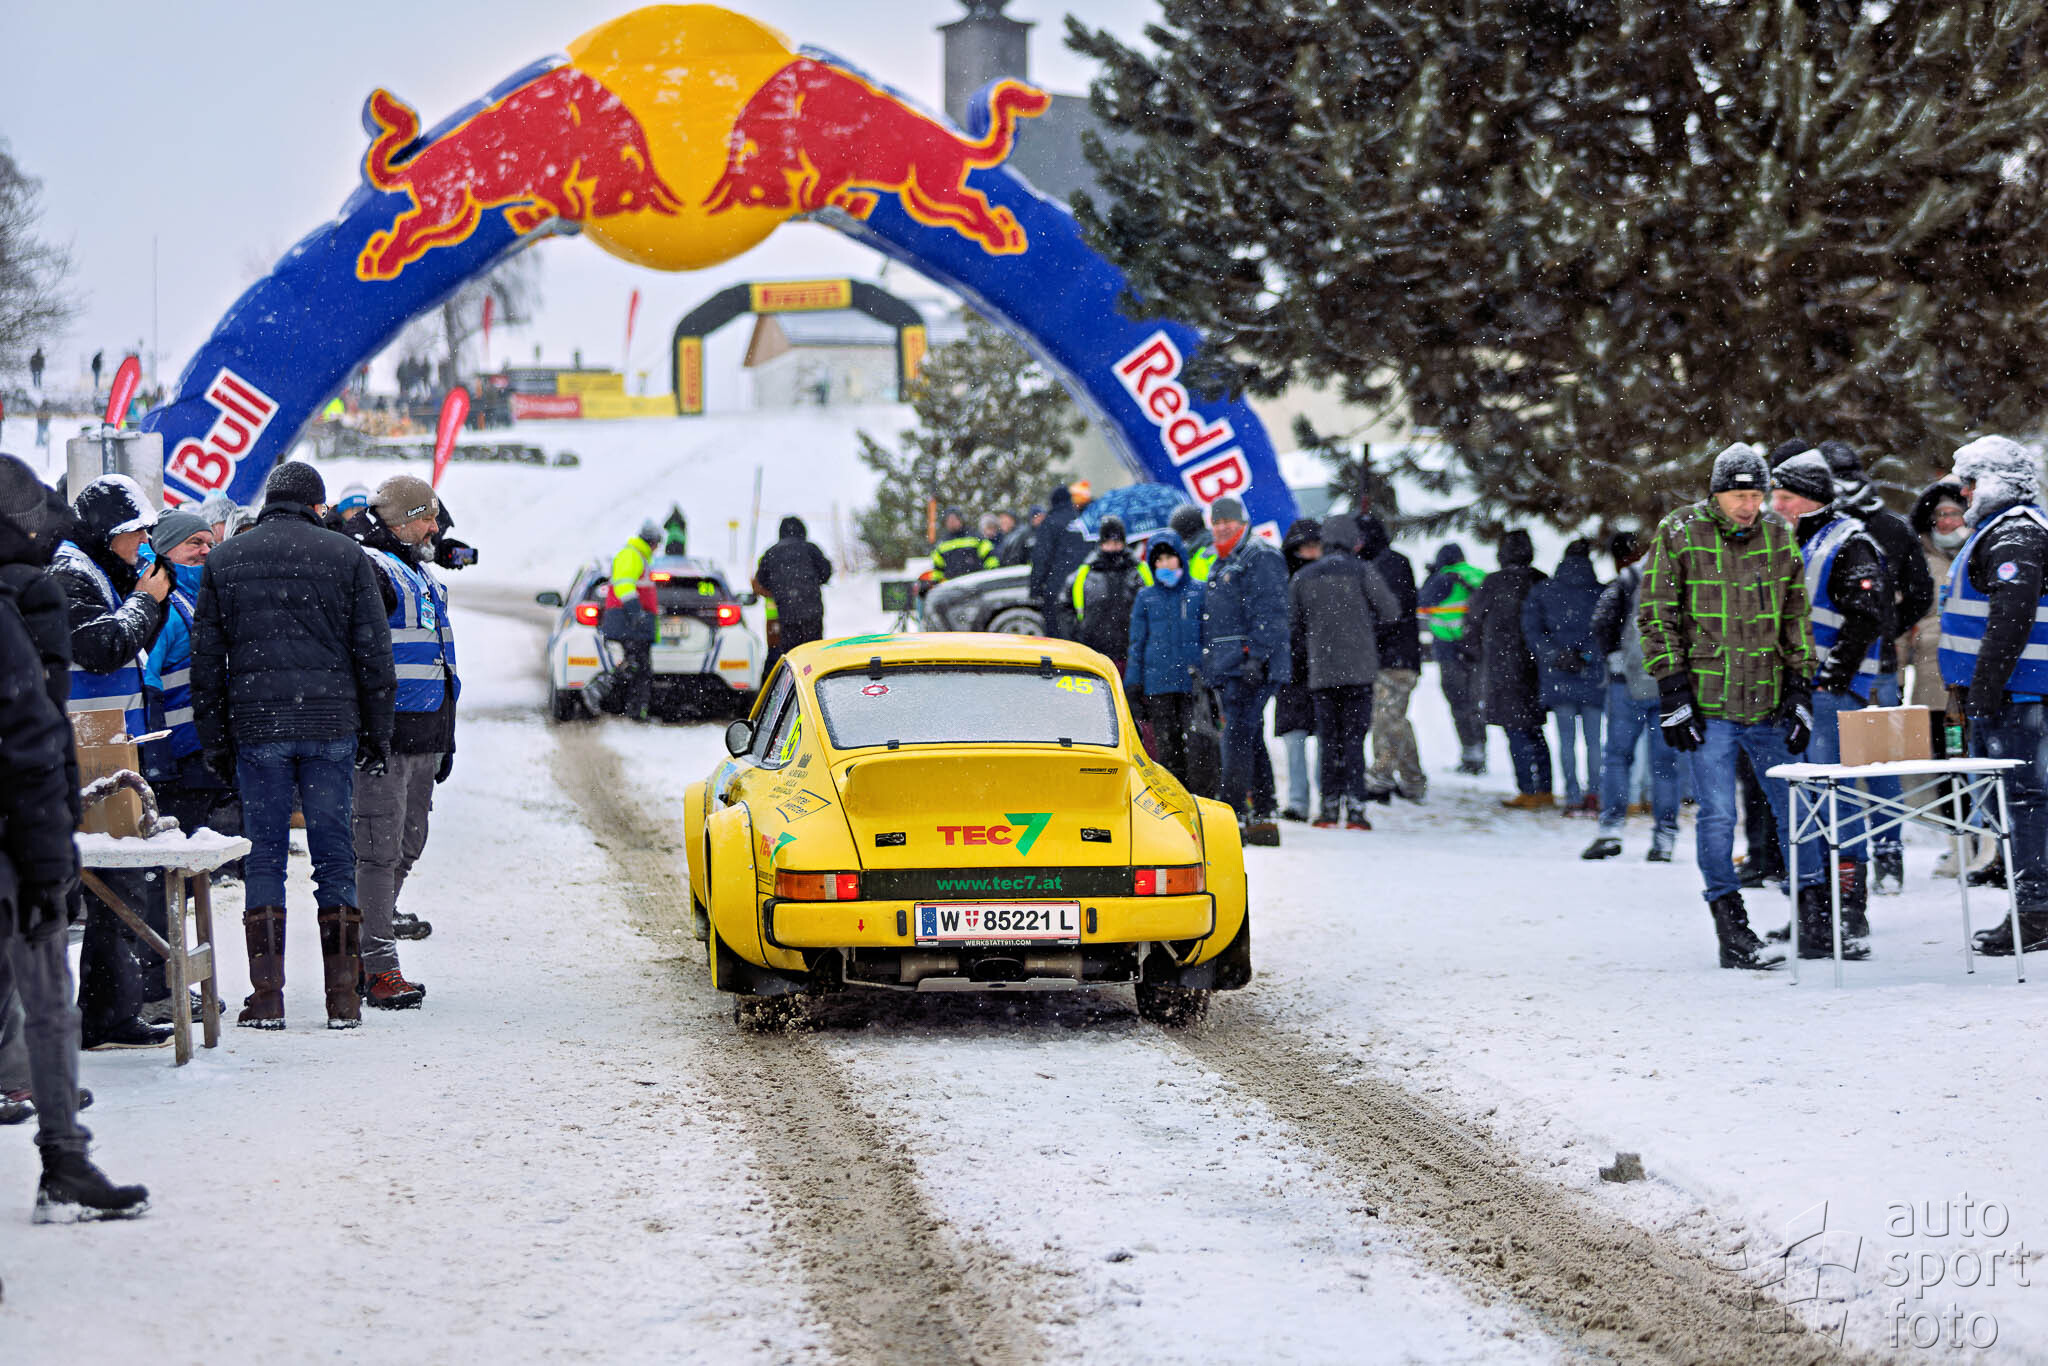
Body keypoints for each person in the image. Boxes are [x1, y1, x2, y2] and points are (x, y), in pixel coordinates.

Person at [192, 461, 396, 1030]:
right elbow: (374, 655)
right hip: (332, 725)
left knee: (264, 856)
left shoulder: (226, 559)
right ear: (317, 505)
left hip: (258, 728)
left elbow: (207, 662)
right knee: (335, 855)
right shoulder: (347, 556)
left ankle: (267, 998)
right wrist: (377, 733)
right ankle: (343, 998)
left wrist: (215, 740)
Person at [0, 453, 149, 1222]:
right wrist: (48, 851)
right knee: (47, 997)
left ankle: (62, 1155)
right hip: (16, 836)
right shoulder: (26, 597)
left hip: (20, 828)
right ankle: (63, 1159)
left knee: (43, 998)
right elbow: (31, 735)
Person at [1640, 442, 1823, 970]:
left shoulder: (1778, 534)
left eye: (1756, 496)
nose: (1748, 506)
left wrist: (1800, 688)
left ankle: (1814, 917)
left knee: (1796, 810)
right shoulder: (1680, 530)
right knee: (1718, 815)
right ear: (1717, 494)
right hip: (1709, 702)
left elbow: (1795, 615)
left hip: (1769, 701)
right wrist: (1673, 690)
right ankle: (1732, 928)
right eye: (1739, 496)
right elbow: (1657, 612)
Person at [51, 474, 173, 1050]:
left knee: (119, 886)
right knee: (106, 887)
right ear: (108, 533)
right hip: (82, 756)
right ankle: (98, 1017)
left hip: (103, 750)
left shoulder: (92, 568)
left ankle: (109, 1013)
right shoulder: (69, 572)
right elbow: (102, 647)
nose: (145, 543)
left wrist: (140, 593)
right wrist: (145, 600)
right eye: (137, 533)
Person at [341, 475, 458, 1010]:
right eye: (426, 518)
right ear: (401, 521)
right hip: (386, 738)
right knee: (378, 852)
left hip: (425, 733)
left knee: (407, 847)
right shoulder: (373, 568)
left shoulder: (415, 569)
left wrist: (445, 739)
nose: (436, 527)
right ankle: (376, 967)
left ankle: (364, 952)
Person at [1768, 450, 1890, 954]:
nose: (1776, 505)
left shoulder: (1849, 542)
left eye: (1785, 497)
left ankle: (1848, 909)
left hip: (1829, 695)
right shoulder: (1790, 541)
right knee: (1802, 801)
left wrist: (1833, 676)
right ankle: (1812, 908)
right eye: (1774, 496)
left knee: (1834, 800)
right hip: (1793, 693)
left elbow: (1867, 613)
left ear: (1813, 499)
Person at [1936, 436, 2048, 955]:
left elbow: (2012, 615)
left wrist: (1984, 688)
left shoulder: (2015, 534)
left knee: (2024, 801)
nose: (1963, 492)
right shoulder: (2004, 529)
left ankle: (2035, 912)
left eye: (1971, 482)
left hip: (2019, 694)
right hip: (2013, 691)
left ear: (1998, 481)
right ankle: (2034, 907)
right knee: (2019, 801)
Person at [1817, 441, 1933, 894]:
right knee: (1879, 764)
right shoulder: (1889, 526)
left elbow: (1920, 594)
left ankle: (1861, 861)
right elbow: (1920, 594)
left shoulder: (1842, 527)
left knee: (1847, 766)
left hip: (1853, 663)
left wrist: (1884, 628)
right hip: (1871, 660)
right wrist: (1887, 627)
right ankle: (1882, 858)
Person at [1290, 514, 1399, 829]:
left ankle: (1328, 807)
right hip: (1359, 671)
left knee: (1328, 740)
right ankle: (1355, 807)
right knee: (1354, 740)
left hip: (1322, 671)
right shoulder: (1364, 571)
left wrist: (1314, 642)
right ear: (1353, 541)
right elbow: (1391, 611)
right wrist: (1365, 631)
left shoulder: (1304, 576)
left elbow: (1292, 623)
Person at [139, 509, 236, 853]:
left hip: (206, 751)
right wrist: (157, 761)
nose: (206, 550)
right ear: (166, 549)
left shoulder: (201, 597)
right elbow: (146, 682)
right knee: (179, 858)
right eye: (194, 542)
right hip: (179, 761)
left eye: (210, 542)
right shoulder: (164, 604)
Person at [1583, 532, 1681, 862]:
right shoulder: (1687, 581)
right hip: (1669, 685)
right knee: (1665, 765)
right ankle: (1664, 836)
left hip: (1626, 681)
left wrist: (1614, 656)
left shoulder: (1629, 579)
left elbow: (1601, 621)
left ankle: (1610, 829)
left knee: (1617, 757)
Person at [1201, 496, 1290, 844]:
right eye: (1217, 521)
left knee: (1237, 737)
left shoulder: (1258, 555)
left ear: (1242, 523)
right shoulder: (1223, 560)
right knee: (1248, 737)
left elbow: (1270, 610)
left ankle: (1233, 812)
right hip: (1230, 665)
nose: (1222, 527)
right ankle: (1264, 813)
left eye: (1228, 521)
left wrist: (1257, 656)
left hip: (1250, 666)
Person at [1466, 530, 1551, 808]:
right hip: (1535, 665)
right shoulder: (1540, 579)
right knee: (1534, 730)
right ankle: (1545, 788)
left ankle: (1527, 789)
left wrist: (1474, 651)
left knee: (1515, 730)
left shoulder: (1493, 583)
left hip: (1502, 666)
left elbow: (1473, 619)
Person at [1521, 539, 1606, 814]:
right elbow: (1607, 631)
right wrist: (1587, 656)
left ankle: (1572, 796)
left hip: (1558, 676)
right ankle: (1594, 795)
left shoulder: (1543, 591)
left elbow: (1532, 631)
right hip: (1592, 676)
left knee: (1566, 741)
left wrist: (1556, 655)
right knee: (1594, 741)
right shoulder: (1601, 593)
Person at [1125, 529, 1208, 786]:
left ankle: (1200, 795)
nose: (1165, 564)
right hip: (1159, 685)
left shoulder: (1199, 591)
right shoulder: (1146, 597)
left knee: (1198, 748)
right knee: (1167, 750)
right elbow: (1137, 643)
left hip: (1193, 685)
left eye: (1169, 557)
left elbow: (1209, 637)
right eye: (1158, 560)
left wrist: (1211, 675)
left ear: (1180, 557)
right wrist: (1133, 684)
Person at [1360, 514, 1425, 802]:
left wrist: (1365, 634)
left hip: (1394, 658)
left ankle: (1381, 777)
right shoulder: (1386, 562)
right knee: (1393, 719)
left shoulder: (1388, 565)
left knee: (1387, 719)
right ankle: (1413, 780)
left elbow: (1390, 614)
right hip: (1394, 656)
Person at [1418, 543, 1489, 774]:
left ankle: (1471, 754)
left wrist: (1431, 576)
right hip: (1477, 650)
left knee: (1459, 702)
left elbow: (1422, 602)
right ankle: (1480, 750)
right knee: (1475, 703)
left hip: (1450, 648)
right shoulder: (1480, 575)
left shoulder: (1443, 578)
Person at [590, 519, 662, 721]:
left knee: (637, 668)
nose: (657, 548)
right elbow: (624, 585)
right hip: (628, 621)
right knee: (636, 668)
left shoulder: (638, 556)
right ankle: (605, 695)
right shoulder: (631, 555)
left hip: (631, 622)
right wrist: (636, 612)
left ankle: (633, 711)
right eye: (657, 543)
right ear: (651, 542)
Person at [1057, 515, 1149, 672]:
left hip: (1132, 656)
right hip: (1094, 656)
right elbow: (1065, 608)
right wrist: (1077, 637)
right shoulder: (1083, 575)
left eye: (1117, 542)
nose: (1113, 547)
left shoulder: (1140, 572)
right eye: (1108, 542)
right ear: (1101, 543)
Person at [1274, 519, 1322, 820]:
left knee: (1326, 738)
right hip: (1294, 671)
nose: (1310, 553)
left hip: (1322, 669)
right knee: (1295, 738)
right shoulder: (1282, 580)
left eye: (1315, 546)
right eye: (1305, 547)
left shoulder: (1326, 579)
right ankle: (1298, 801)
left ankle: (1326, 799)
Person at [1909, 482, 1968, 709]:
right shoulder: (1919, 559)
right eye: (1940, 514)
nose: (1946, 521)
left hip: (1972, 661)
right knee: (1933, 724)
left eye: (1954, 514)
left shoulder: (1979, 554)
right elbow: (1902, 612)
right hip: (1930, 666)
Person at [754, 515, 834, 667]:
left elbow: (761, 581)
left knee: (792, 656)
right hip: (812, 612)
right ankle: (814, 677)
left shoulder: (771, 553)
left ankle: (796, 678)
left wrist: (781, 587)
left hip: (787, 613)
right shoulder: (811, 549)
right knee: (813, 652)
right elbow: (826, 572)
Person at [930, 509, 997, 581]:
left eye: (954, 519)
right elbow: (938, 567)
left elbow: (990, 557)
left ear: (960, 520)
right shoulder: (942, 543)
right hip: (953, 583)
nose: (952, 522)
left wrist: (990, 574)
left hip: (975, 581)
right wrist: (935, 581)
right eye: (949, 520)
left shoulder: (974, 536)